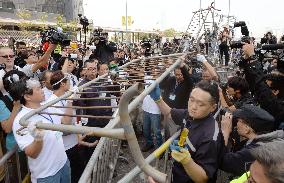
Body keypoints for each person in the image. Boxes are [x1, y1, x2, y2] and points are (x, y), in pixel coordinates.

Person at [150, 80, 222, 183]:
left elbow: (203, 178)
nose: (193, 107)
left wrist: (186, 160)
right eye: (191, 100)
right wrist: (158, 99)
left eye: (201, 104)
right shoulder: (190, 115)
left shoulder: (211, 137)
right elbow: (170, 113)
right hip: (178, 175)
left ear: (213, 107)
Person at [11, 78, 72, 183]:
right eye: (38, 89)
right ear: (27, 96)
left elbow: (66, 122)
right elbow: (32, 153)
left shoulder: (47, 106)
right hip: (46, 175)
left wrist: (71, 101)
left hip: (63, 163)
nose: (43, 90)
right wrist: (38, 139)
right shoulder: (21, 120)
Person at [220, 105, 275, 177]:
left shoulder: (255, 151)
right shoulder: (266, 141)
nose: (236, 123)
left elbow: (222, 161)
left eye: (239, 120)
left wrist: (225, 132)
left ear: (247, 128)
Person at [240, 41, 284, 129]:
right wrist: (247, 60)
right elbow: (255, 85)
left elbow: (261, 86)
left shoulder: (276, 106)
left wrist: (253, 57)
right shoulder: (272, 92)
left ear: (275, 91)